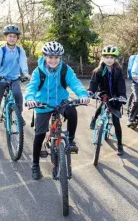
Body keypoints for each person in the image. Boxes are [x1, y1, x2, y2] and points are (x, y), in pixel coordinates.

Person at [25, 41, 89, 180]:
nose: (53, 60)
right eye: (50, 57)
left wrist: (83, 95)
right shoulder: (39, 71)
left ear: (60, 58)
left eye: (56, 57)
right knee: (39, 135)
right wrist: (30, 98)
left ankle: (70, 140)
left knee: (72, 110)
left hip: (61, 101)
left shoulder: (65, 69)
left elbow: (75, 83)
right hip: (43, 103)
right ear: (45, 56)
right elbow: (32, 86)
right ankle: (35, 165)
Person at [0, 25, 31, 142]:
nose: (12, 38)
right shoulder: (1, 51)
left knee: (18, 94)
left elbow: (23, 62)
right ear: (6, 38)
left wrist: (26, 73)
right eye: (10, 36)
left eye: (14, 36)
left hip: (14, 78)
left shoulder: (20, 50)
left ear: (17, 38)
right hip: (1, 78)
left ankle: (18, 115)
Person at [88, 46, 127, 156]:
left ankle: (120, 145)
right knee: (101, 106)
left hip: (115, 97)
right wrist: (91, 91)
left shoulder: (118, 71)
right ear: (103, 58)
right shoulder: (98, 71)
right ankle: (94, 118)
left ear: (115, 59)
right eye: (107, 57)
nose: (109, 59)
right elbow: (94, 83)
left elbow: (121, 84)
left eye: (111, 57)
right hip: (104, 94)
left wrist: (122, 96)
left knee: (116, 121)